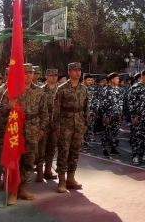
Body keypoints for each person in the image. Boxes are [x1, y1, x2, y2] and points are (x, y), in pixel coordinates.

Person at [0, 63, 48, 206]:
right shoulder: (11, 91)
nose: (29, 75)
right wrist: (9, 106)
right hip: (15, 130)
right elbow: (0, 112)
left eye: (31, 72)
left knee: (28, 161)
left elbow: (44, 111)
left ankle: (23, 189)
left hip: (33, 130)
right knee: (14, 160)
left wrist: (42, 128)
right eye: (25, 73)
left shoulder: (38, 90)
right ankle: (12, 192)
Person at [53, 62, 90, 194]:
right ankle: (62, 180)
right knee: (63, 152)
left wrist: (86, 123)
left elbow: (86, 107)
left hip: (79, 123)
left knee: (75, 152)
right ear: (69, 72)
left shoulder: (83, 89)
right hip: (65, 124)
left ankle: (71, 178)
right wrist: (56, 125)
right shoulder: (61, 88)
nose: (77, 72)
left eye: (79, 70)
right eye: (74, 70)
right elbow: (56, 109)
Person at [36, 69, 60, 182]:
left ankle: (48, 170)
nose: (54, 77)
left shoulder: (59, 90)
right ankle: (39, 172)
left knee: (52, 147)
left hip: (55, 123)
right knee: (41, 148)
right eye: (51, 75)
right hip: (43, 123)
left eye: (55, 75)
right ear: (46, 76)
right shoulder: (40, 90)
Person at [129, 69, 145, 165]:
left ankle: (143, 155)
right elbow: (131, 103)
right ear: (142, 77)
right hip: (138, 117)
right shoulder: (135, 88)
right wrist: (133, 116)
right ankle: (135, 156)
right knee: (136, 137)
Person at [100, 73, 123, 158]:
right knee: (106, 133)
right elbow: (102, 104)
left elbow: (120, 102)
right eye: (116, 78)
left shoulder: (119, 90)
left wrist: (120, 114)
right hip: (108, 116)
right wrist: (106, 116)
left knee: (115, 133)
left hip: (116, 115)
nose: (118, 80)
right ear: (111, 80)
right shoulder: (105, 90)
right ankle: (105, 149)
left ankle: (113, 148)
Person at [83, 74, 98, 150]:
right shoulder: (81, 89)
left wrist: (95, 110)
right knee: (82, 129)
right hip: (82, 114)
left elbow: (94, 100)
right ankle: (80, 143)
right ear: (84, 80)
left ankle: (87, 142)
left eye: (91, 80)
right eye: (88, 80)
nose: (90, 82)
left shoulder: (92, 89)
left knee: (90, 128)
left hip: (91, 112)